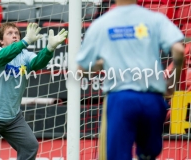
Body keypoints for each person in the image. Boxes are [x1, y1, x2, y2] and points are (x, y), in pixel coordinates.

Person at [76, 0, 185, 159]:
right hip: (152, 99)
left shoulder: (101, 24)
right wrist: (172, 83)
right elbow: (179, 50)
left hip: (121, 98)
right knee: (148, 155)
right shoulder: (155, 19)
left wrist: (99, 66)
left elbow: (81, 70)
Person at [0, 22, 68, 160]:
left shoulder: (25, 55)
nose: (14, 35)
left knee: (30, 147)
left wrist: (49, 49)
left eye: (17, 33)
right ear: (1, 41)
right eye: (9, 33)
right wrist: (25, 41)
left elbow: (38, 63)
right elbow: (3, 57)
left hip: (12, 118)